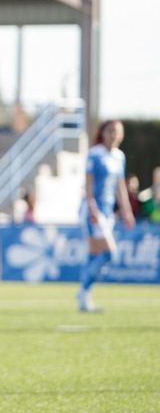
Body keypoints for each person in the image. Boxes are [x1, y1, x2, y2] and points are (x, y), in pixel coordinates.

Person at [77, 120, 134, 313]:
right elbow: (88, 184)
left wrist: (127, 211)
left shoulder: (119, 157)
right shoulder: (95, 154)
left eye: (117, 132)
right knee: (109, 252)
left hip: (108, 213)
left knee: (94, 255)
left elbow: (120, 187)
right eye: (111, 131)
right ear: (103, 133)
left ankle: (85, 296)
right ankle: (83, 292)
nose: (114, 135)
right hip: (93, 211)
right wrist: (92, 208)